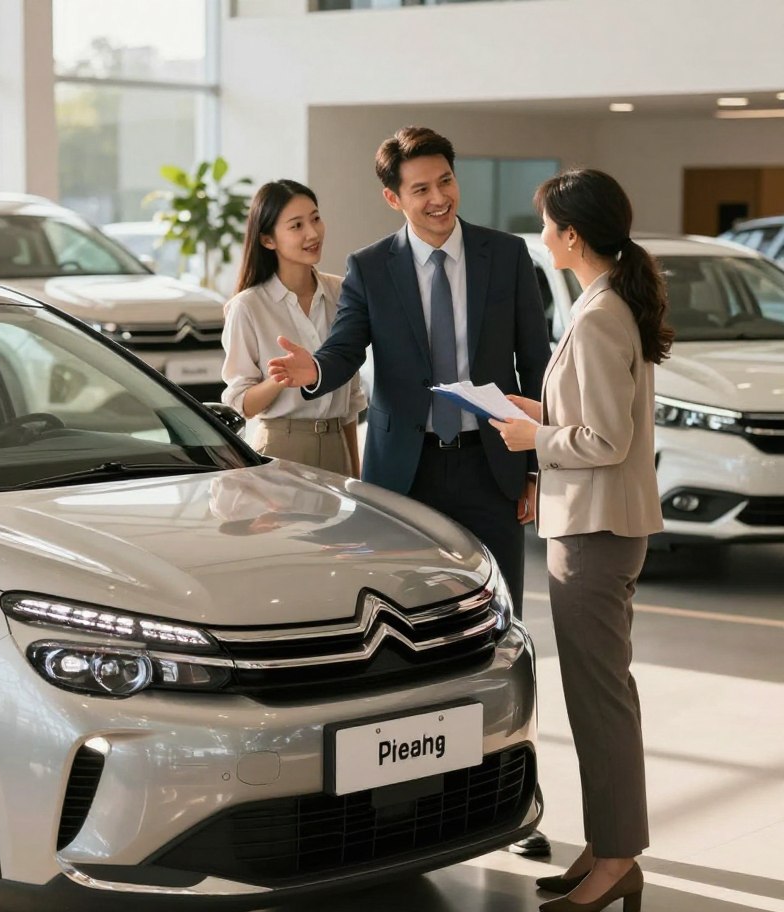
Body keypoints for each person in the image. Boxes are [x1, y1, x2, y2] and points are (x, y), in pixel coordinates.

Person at [267, 127, 553, 856]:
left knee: (499, 636)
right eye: (420, 188)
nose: (439, 198)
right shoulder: (371, 267)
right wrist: (309, 374)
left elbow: (536, 363)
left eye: (446, 181)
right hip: (404, 477)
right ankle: (396, 797)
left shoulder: (506, 254)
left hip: (490, 469)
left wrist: (534, 471)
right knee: (401, 642)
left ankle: (511, 793)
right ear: (394, 197)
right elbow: (342, 353)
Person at [490, 168, 673, 912]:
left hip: (594, 530)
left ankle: (618, 858)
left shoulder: (599, 316)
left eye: (546, 225)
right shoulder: (607, 303)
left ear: (571, 234)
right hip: (599, 525)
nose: (541, 237)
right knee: (600, 697)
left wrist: (536, 437)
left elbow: (602, 437)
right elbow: (592, 415)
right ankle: (606, 848)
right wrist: (537, 410)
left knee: (599, 702)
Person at [221, 179, 365, 477]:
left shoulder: (344, 293)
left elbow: (351, 400)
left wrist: (354, 471)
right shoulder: (247, 307)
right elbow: (241, 405)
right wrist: (279, 380)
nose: (313, 233)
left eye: (315, 218)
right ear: (267, 240)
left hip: (338, 443)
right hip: (280, 448)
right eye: (296, 225)